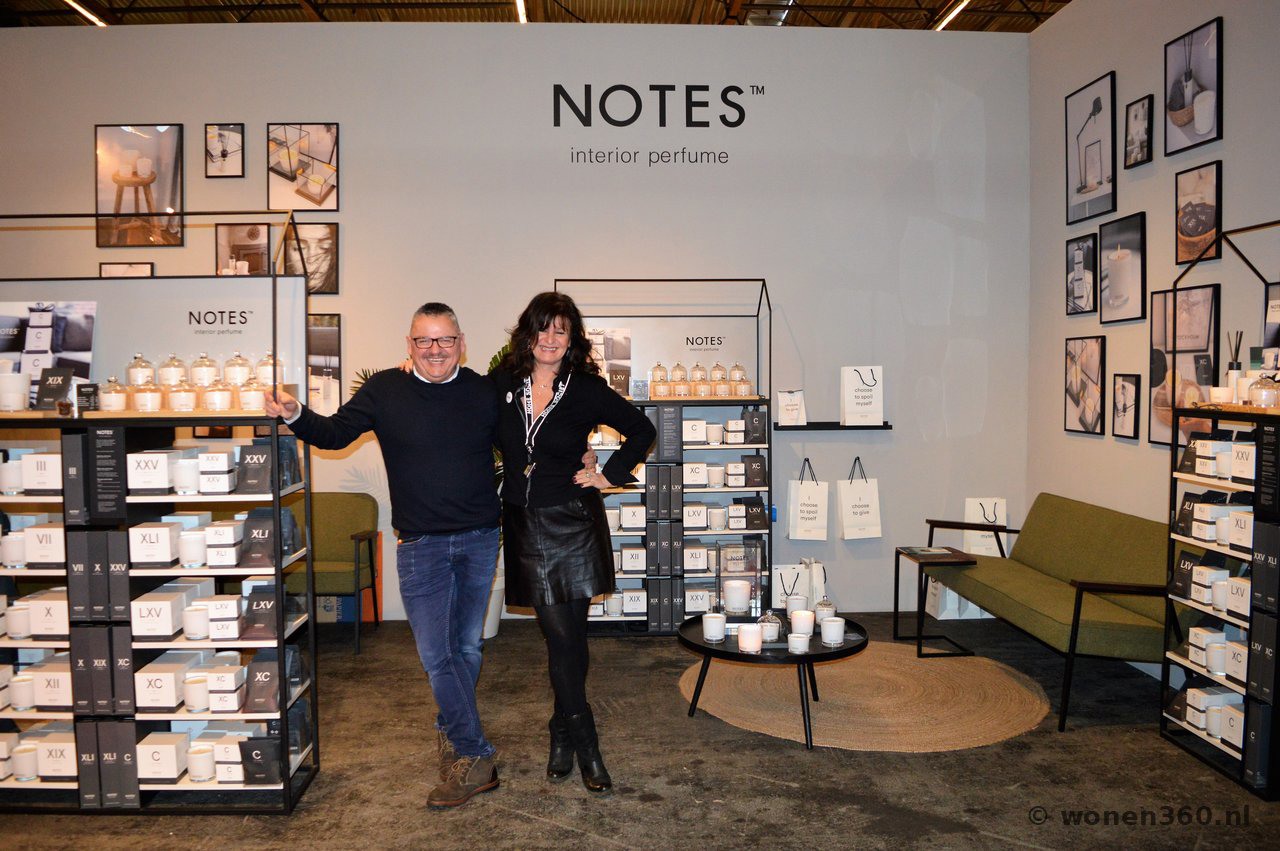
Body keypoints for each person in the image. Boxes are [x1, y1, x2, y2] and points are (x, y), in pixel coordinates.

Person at [264, 302, 504, 809]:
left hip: (480, 538)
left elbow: (524, 446)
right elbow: (335, 433)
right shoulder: (385, 390)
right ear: (409, 344)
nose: (434, 350)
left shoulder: (485, 392)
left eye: (444, 339)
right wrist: (294, 414)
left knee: (467, 648)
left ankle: (452, 730)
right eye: (424, 340)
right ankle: (474, 753)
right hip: (420, 545)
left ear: (461, 343)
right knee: (436, 655)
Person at [491, 291, 656, 794]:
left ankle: (568, 734)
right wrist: (413, 376)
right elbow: (460, 414)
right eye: (542, 328)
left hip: (574, 522)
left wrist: (608, 475)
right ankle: (579, 737)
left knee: (570, 637)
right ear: (528, 333)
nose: (550, 339)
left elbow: (641, 429)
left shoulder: (585, 388)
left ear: (571, 339)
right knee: (560, 636)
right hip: (525, 522)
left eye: (560, 331)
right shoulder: (501, 383)